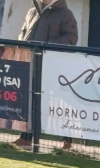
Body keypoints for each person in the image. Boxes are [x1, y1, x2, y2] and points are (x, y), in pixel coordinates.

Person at [13, 0, 78, 150]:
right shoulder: (32, 11)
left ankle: (67, 141)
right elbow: (24, 31)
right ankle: (26, 138)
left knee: (58, 104)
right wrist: (21, 44)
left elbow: (71, 38)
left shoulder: (65, 14)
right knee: (28, 101)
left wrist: (47, 46)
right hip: (30, 63)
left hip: (52, 66)